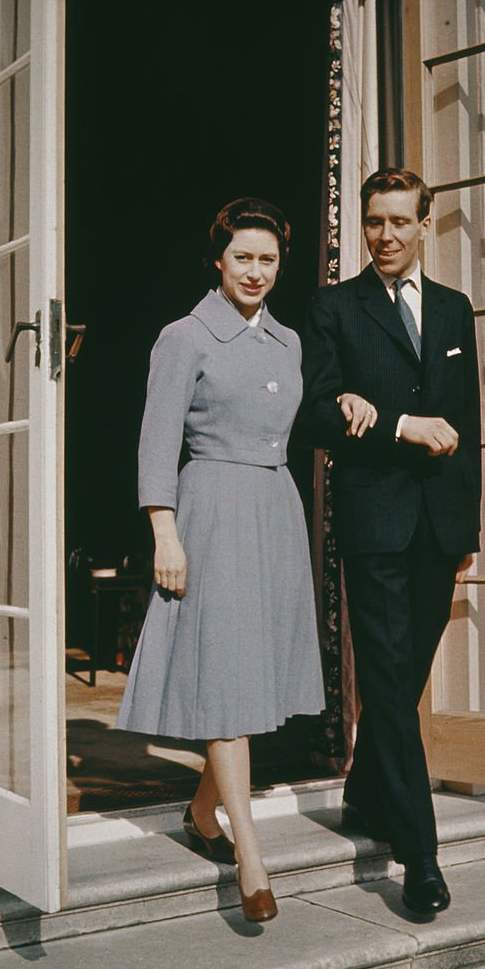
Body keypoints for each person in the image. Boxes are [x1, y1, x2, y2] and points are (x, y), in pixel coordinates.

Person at [117, 197, 325, 923]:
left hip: (274, 514)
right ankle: (250, 855)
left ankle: (202, 816)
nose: (257, 271)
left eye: (268, 259)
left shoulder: (289, 343)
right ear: (218, 258)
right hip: (208, 512)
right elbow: (157, 441)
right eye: (244, 256)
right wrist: (163, 533)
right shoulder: (185, 336)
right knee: (228, 684)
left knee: (249, 681)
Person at [300, 168, 482, 917]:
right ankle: (421, 856)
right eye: (374, 221)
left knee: (400, 683)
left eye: (400, 222)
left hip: (437, 527)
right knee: (389, 680)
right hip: (373, 523)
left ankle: (365, 792)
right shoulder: (334, 307)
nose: (384, 236)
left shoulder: (453, 309)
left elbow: (467, 424)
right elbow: (313, 413)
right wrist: (393, 423)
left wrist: (465, 527)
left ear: (424, 223)